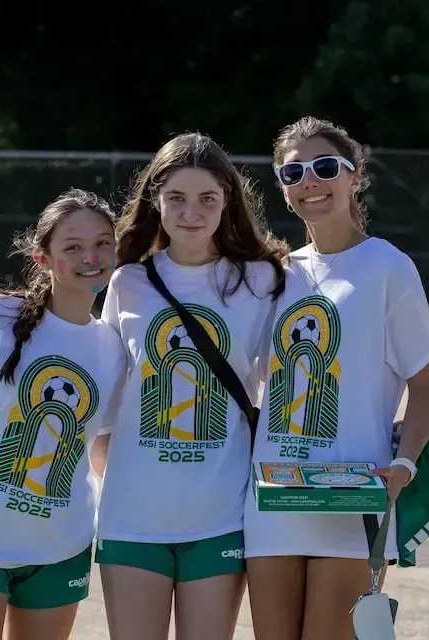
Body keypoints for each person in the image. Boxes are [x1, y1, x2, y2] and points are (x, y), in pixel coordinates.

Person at [243, 116, 429, 640]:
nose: (309, 182)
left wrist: (404, 463)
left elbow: (423, 383)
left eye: (323, 167)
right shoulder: (275, 273)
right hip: (272, 496)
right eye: (293, 172)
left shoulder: (387, 266)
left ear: (354, 177)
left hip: (352, 498)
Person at [91, 132, 288, 640]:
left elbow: (290, 378)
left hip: (220, 513)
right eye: (176, 198)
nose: (191, 213)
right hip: (132, 517)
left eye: (207, 199)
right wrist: (117, 479)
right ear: (155, 200)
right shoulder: (127, 282)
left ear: (228, 201)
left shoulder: (261, 280)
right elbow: (107, 400)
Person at [0, 188, 126, 640]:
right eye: (72, 247)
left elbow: (101, 447)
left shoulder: (114, 347)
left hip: (63, 548)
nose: (90, 256)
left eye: (102, 244)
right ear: (43, 259)